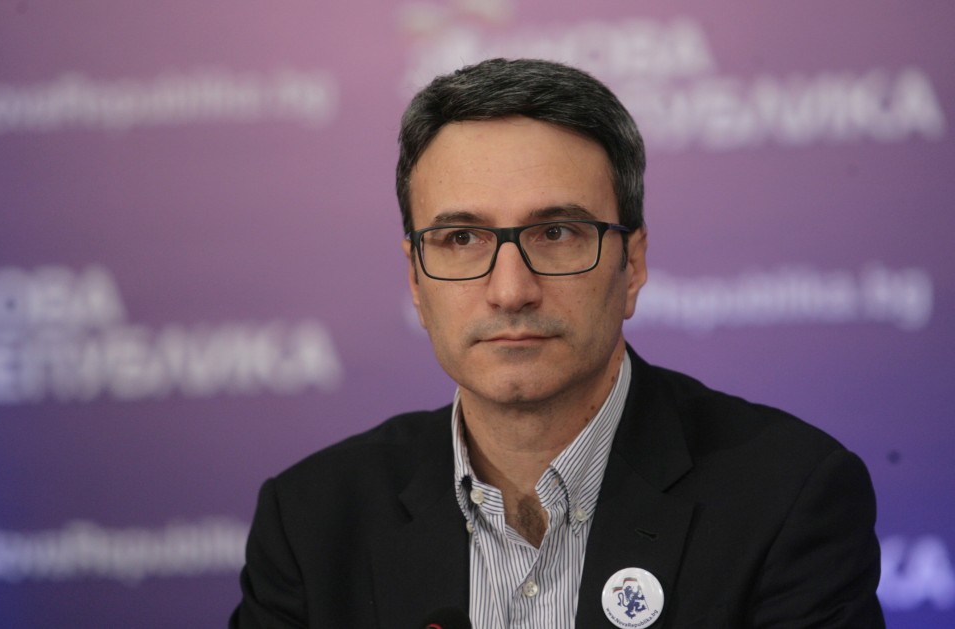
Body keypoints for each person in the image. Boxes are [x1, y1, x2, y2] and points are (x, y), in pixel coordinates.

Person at [231, 58, 884, 628]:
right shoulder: (311, 521)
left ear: (632, 264)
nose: (510, 290)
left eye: (557, 234)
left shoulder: (787, 497)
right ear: (415, 280)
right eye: (462, 239)